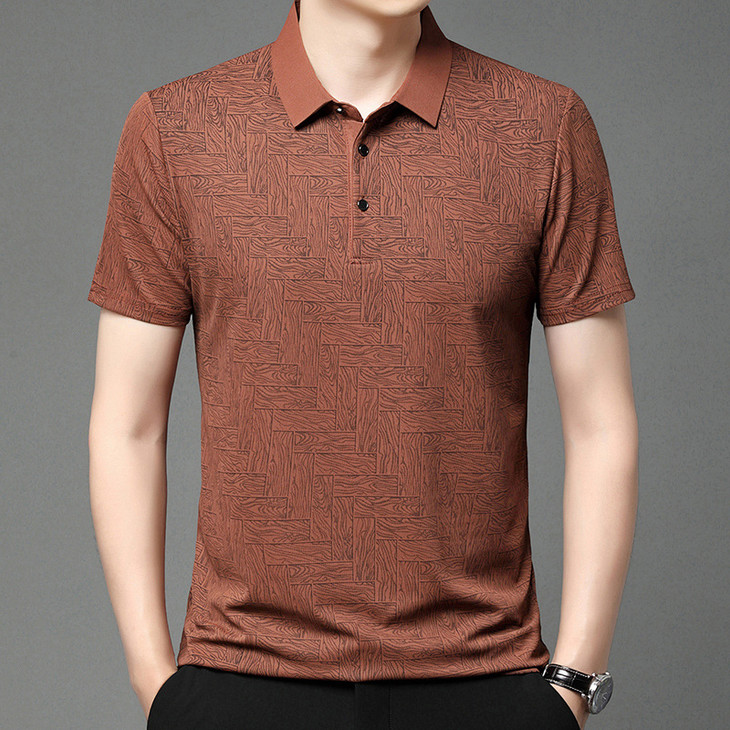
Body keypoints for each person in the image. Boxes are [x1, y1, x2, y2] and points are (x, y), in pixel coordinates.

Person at [86, 1, 638, 728]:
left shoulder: (544, 126)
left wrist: (573, 683)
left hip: (486, 679)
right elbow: (126, 426)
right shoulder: (176, 128)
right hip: (239, 680)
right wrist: (155, 680)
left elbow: (602, 426)